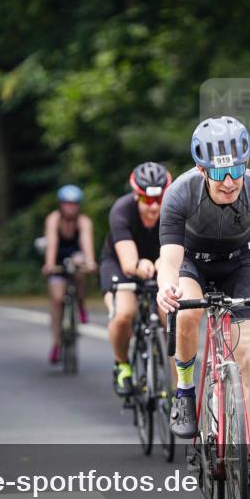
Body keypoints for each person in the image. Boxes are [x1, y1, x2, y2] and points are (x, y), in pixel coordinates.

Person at [156, 116, 250, 499]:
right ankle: (185, 392)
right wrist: (166, 287)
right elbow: (168, 260)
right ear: (202, 170)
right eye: (220, 172)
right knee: (187, 314)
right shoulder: (180, 193)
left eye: (237, 169)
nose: (229, 180)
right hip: (191, 266)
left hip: (240, 268)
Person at [100, 162, 172, 398]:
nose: (153, 207)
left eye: (159, 199)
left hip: (161, 261)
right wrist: (140, 266)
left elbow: (179, 249)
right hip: (122, 263)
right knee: (124, 314)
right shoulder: (121, 210)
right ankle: (122, 365)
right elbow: (129, 263)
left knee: (171, 314)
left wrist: (165, 263)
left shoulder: (175, 209)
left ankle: (175, 385)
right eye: (147, 200)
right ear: (136, 195)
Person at [42, 184, 96, 364]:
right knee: (57, 299)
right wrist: (49, 264)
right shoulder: (53, 220)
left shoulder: (83, 221)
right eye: (66, 204)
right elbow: (52, 243)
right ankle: (56, 343)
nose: (70, 208)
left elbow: (86, 244)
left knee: (79, 269)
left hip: (75, 257)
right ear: (60, 205)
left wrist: (90, 262)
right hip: (57, 258)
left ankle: (81, 304)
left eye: (74, 204)